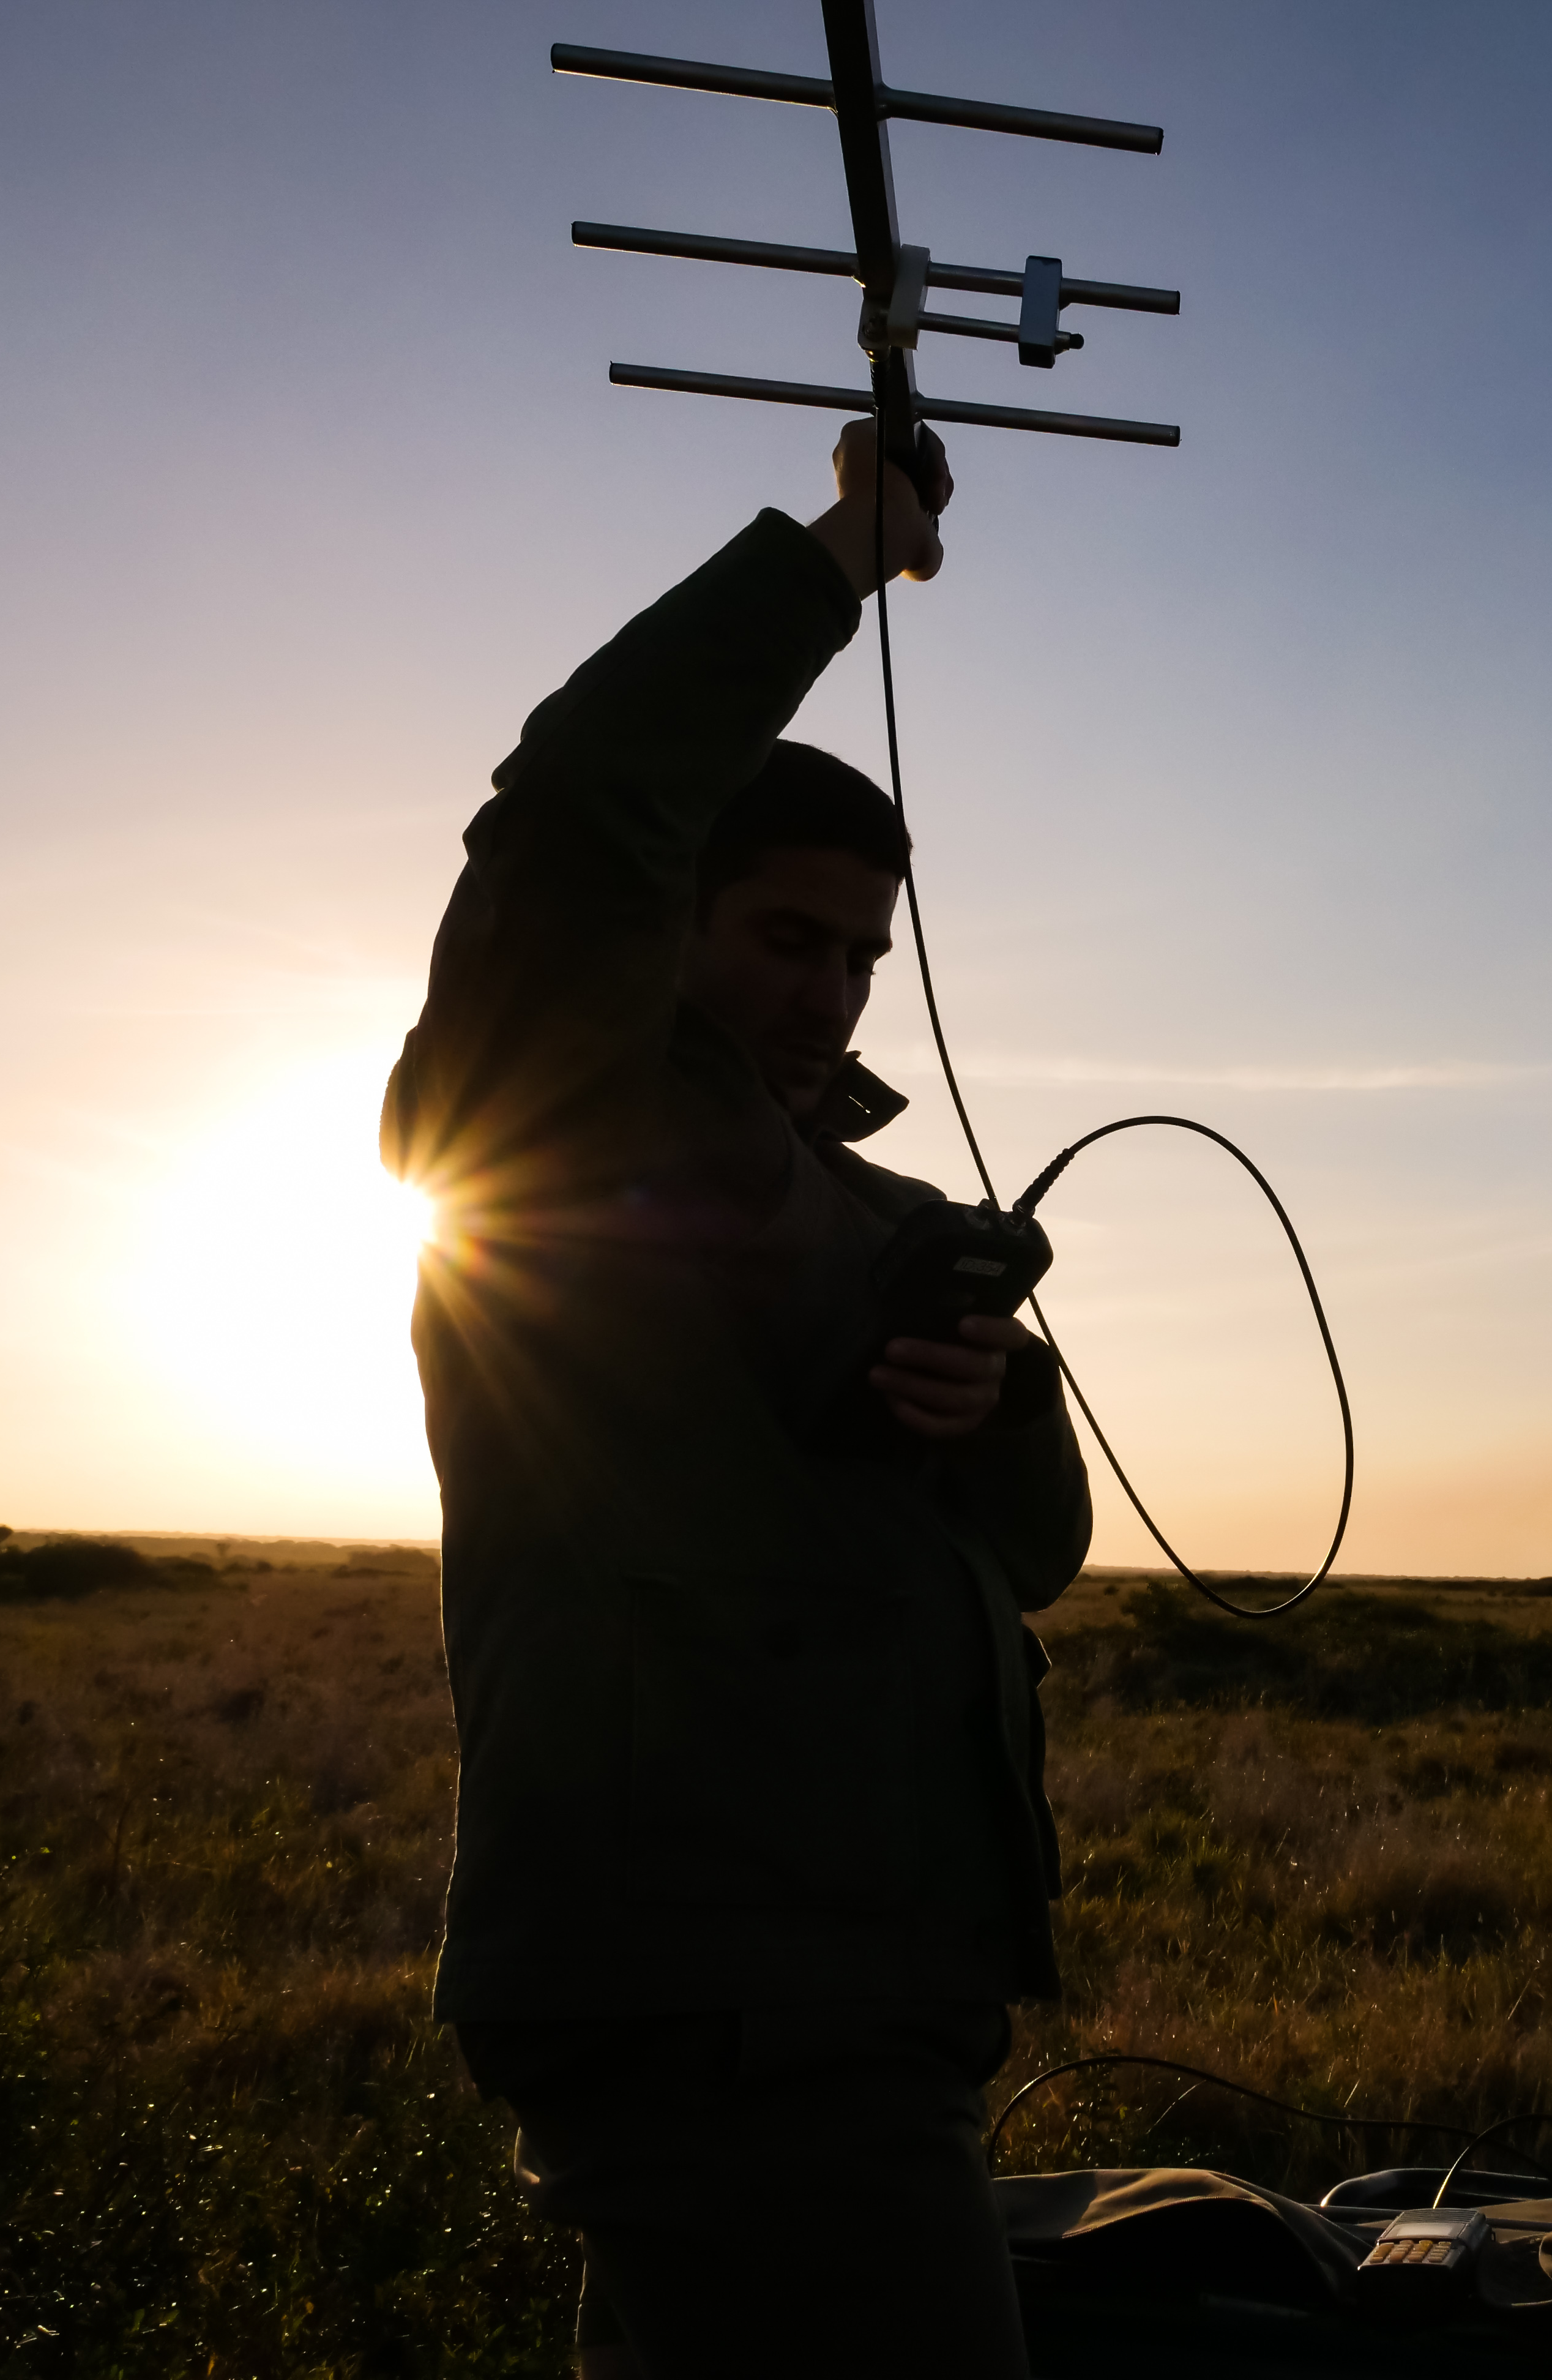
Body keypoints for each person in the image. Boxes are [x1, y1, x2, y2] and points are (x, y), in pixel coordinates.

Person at [379, 421, 1089, 2378]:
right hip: (708, 1985)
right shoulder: (557, 1122)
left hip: (882, 1989)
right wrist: (828, 562)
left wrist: (990, 1402)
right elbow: (579, 811)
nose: (834, 991)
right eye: (787, 937)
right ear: (676, 920)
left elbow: (1031, 1557)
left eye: (863, 954)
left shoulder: (888, 1208)